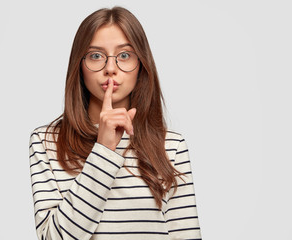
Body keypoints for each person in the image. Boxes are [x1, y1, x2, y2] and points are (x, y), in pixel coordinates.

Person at [29, 6, 202, 240]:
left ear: (141, 64)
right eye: (96, 56)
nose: (110, 69)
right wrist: (103, 151)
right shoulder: (47, 142)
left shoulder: (171, 146)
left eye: (124, 55)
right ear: (79, 65)